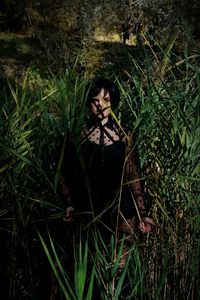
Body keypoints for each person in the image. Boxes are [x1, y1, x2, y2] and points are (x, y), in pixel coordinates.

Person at [58, 77, 153, 266]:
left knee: (118, 273)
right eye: (95, 100)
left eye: (106, 100)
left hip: (122, 215)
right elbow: (63, 172)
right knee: (88, 269)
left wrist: (143, 214)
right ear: (88, 103)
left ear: (113, 103)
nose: (100, 105)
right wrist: (68, 203)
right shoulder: (78, 136)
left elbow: (133, 177)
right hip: (88, 213)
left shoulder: (124, 137)